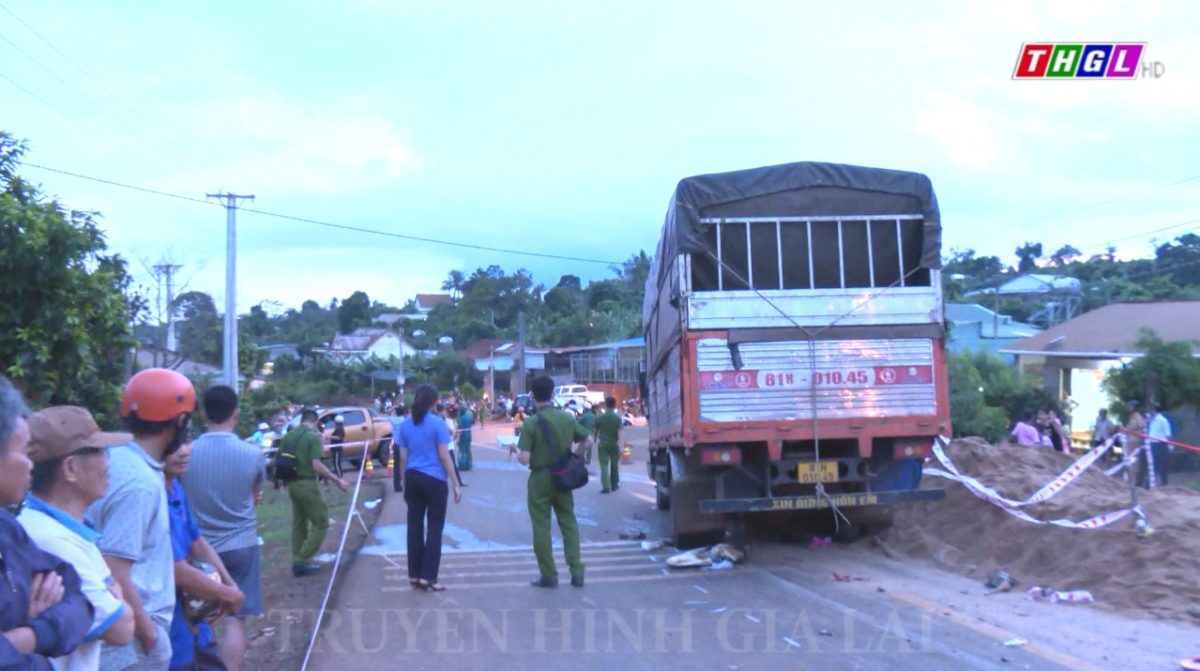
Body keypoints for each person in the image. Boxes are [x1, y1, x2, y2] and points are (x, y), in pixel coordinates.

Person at [88, 368, 197, 670]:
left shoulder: (118, 458)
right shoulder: (140, 482)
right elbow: (115, 567)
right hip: (133, 637)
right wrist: (149, 634)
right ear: (180, 420)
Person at [20, 406, 136, 670]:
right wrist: (117, 597)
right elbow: (122, 629)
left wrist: (117, 600)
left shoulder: (60, 529)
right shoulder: (52, 542)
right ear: (70, 468)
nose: (108, 463)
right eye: (100, 452)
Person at [0, 390, 106, 671]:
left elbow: (78, 601)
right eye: (23, 452)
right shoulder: (44, 534)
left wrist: (30, 634)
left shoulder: (8, 530)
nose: (31, 463)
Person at [179, 386, 265, 671]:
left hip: (199, 548)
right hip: (241, 544)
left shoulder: (187, 454)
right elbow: (254, 498)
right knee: (235, 618)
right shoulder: (252, 454)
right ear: (236, 412)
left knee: (198, 617)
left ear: (203, 413)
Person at [164, 440, 243, 671]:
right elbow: (175, 569)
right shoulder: (150, 497)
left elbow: (197, 541)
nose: (184, 451)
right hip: (172, 632)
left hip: (196, 624)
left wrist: (231, 585)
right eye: (173, 445)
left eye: (185, 442)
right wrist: (225, 593)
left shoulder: (175, 488)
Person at [511, 376, 592, 589]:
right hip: (563, 475)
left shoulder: (530, 423)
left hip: (539, 479)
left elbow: (525, 458)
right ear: (553, 393)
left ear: (532, 395)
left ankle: (549, 575)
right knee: (568, 522)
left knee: (541, 526)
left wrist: (515, 451)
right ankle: (576, 571)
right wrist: (575, 456)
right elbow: (588, 440)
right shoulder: (566, 418)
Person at [393, 385, 462, 591]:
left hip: (413, 478)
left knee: (414, 527)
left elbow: (403, 458)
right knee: (434, 528)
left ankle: (414, 574)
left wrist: (404, 482)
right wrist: (455, 482)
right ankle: (428, 577)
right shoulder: (438, 424)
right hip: (434, 480)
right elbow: (444, 455)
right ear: (434, 402)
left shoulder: (405, 425)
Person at [277, 410, 347, 577]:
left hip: (292, 483)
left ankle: (298, 558)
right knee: (321, 521)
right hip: (306, 483)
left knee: (299, 522)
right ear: (315, 422)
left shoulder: (288, 436)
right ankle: (301, 560)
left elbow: (279, 459)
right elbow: (316, 465)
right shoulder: (311, 437)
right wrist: (337, 480)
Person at [593, 398, 623, 494]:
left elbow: (595, 429)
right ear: (614, 405)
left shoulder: (600, 417)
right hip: (614, 444)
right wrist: (621, 446)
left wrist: (595, 439)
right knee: (615, 465)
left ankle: (606, 486)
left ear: (605, 405)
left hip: (603, 444)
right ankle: (614, 484)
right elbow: (620, 433)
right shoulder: (617, 418)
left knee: (604, 465)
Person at [1146, 402, 1173, 487]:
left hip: (1161, 444)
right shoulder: (1152, 420)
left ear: (1154, 410)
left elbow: (1168, 434)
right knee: (1152, 464)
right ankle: (1151, 483)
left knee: (1162, 464)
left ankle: (1164, 483)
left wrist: (1170, 446)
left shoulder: (1162, 420)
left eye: (1151, 409)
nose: (1149, 411)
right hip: (1152, 444)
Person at [455, 404, 474, 472]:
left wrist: (457, 439)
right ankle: (468, 464)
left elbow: (460, 430)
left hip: (463, 436)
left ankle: (462, 465)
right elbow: (472, 422)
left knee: (461, 451)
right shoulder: (468, 416)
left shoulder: (462, 418)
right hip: (468, 435)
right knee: (467, 450)